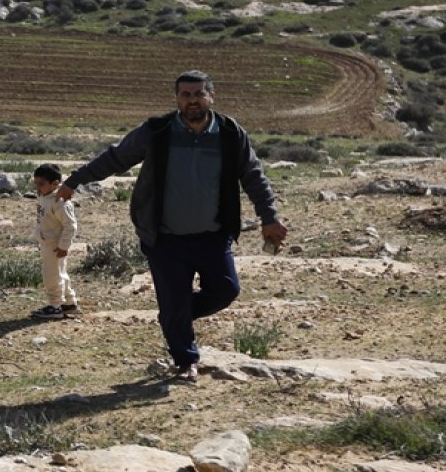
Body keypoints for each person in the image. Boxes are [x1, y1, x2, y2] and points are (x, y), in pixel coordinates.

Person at [56, 70, 287, 383]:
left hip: (212, 235)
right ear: (177, 98)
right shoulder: (157, 130)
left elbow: (253, 176)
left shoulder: (230, 133)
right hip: (164, 238)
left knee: (225, 290)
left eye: (198, 94)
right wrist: (76, 179)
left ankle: (173, 316)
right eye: (185, 95)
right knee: (175, 302)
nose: (192, 101)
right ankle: (185, 360)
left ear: (211, 96)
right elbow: (116, 158)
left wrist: (269, 217)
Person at [30, 163, 80, 319]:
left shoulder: (60, 202)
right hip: (48, 242)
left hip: (55, 245)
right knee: (60, 273)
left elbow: (70, 226)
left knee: (51, 275)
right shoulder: (45, 196)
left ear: (55, 184)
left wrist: (63, 246)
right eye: (36, 183)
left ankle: (55, 306)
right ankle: (69, 303)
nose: (38, 188)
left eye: (41, 184)